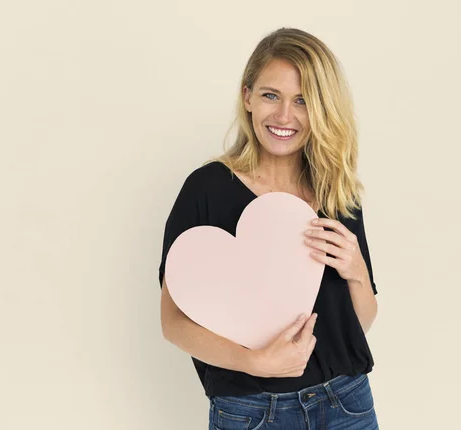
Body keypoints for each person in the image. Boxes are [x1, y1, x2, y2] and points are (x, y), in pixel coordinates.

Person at [158, 27, 379, 429]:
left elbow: (359, 324)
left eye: (302, 101)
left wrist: (357, 272)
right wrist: (253, 361)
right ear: (247, 97)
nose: (284, 116)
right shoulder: (205, 189)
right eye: (270, 95)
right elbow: (173, 322)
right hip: (251, 411)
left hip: (347, 402)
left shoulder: (335, 191)